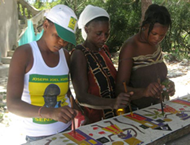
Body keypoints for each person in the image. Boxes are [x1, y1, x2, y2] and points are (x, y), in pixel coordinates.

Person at [6, 4, 80, 142]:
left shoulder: (65, 55)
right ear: (46, 25)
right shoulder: (24, 54)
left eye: (66, 40)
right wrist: (50, 113)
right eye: (57, 36)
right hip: (37, 137)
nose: (61, 42)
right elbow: (12, 104)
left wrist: (77, 111)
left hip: (67, 130)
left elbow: (66, 92)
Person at [70, 5, 132, 124]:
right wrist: (113, 103)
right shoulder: (79, 55)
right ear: (87, 29)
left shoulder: (104, 50)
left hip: (114, 116)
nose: (103, 38)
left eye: (106, 34)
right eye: (99, 33)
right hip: (95, 120)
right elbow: (82, 97)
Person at [116, 4, 175, 110]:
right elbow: (120, 88)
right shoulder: (130, 48)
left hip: (160, 108)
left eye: (162, 35)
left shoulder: (155, 44)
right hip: (140, 113)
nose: (158, 38)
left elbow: (157, 75)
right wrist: (144, 92)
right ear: (144, 26)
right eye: (154, 33)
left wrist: (168, 84)